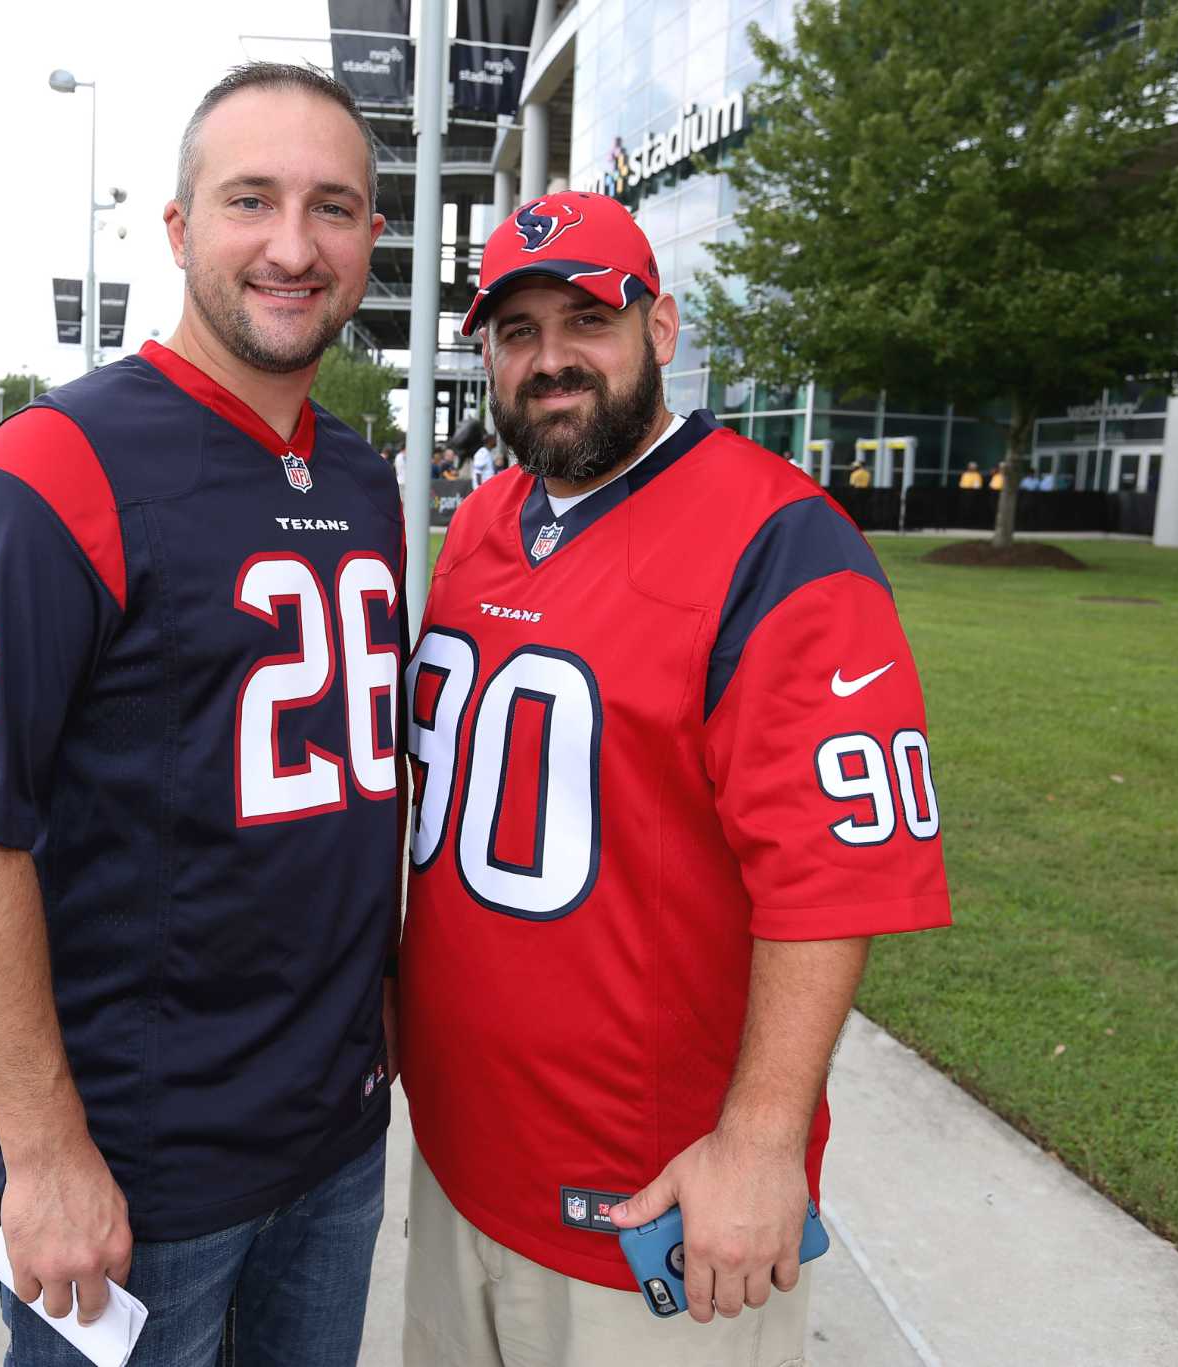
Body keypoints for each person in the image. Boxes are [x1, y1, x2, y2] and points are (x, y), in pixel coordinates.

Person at [0, 61, 404, 1367]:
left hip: (336, 1144)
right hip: (138, 1180)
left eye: (333, 207)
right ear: (179, 230)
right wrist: (46, 1147)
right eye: (252, 200)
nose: (293, 246)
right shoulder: (51, 474)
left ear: (373, 238)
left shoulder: (362, 478)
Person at [398, 191, 951, 1367]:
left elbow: (835, 877)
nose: (550, 361)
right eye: (515, 332)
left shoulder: (780, 542)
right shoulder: (489, 515)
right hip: (459, 1162)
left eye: (586, 319)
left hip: (650, 1203)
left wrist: (761, 1140)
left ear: (660, 328)